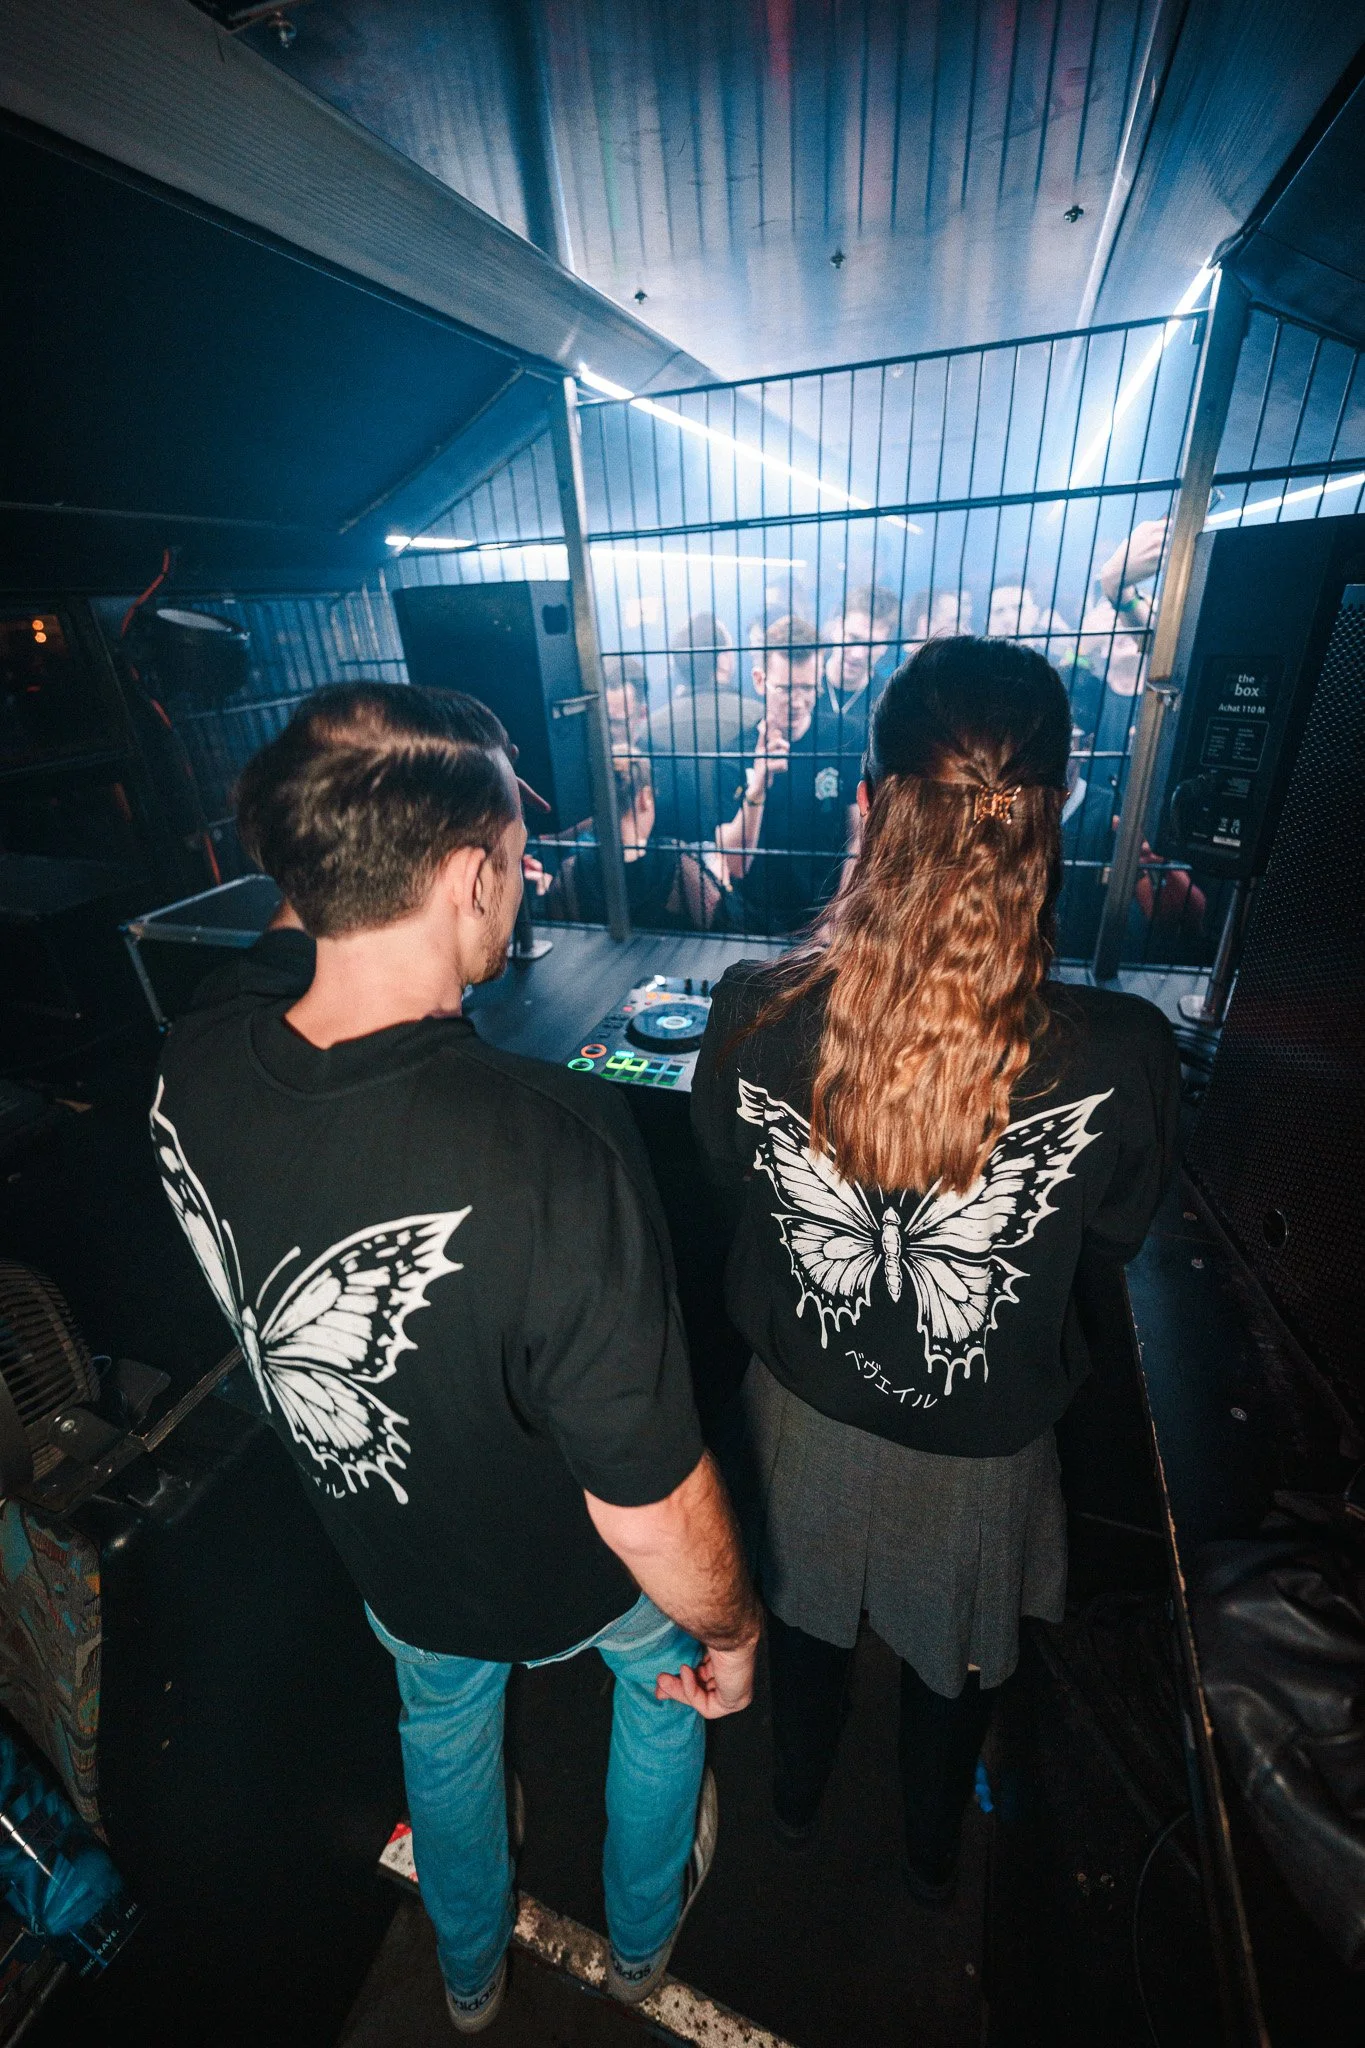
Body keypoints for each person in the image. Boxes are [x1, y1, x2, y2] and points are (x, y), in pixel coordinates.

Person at [152, 682, 760, 2030]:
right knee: (666, 1698)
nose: (526, 876)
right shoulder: (552, 1140)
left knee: (439, 1729)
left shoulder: (186, 1059)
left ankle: (470, 1977)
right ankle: (646, 1951)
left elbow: (272, 945)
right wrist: (735, 1626)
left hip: (389, 1547)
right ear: (471, 875)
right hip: (580, 1571)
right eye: (514, 854)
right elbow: (647, 1502)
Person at [692, 636, 1179, 1905]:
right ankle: (924, 1856)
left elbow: (733, 1182)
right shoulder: (1123, 1055)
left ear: (865, 804)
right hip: (979, 1456)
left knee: (795, 1630)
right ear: (1056, 815)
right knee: (955, 1665)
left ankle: (792, 1807)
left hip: (792, 1415)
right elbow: (1113, 1243)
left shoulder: (750, 1008)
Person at [713, 615, 849, 935]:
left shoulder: (844, 738)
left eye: (808, 688)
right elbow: (735, 864)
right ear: (760, 681)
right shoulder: (733, 753)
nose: (798, 701)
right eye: (785, 689)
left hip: (825, 918)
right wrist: (758, 786)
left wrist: (838, 913)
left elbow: (859, 836)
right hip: (754, 922)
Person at [543, 754, 725, 931]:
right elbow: (718, 921)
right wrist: (718, 880)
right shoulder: (677, 863)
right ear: (645, 797)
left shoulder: (572, 872)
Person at [646, 613, 749, 849]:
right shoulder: (757, 718)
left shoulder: (650, 729)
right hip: (745, 859)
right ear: (723, 659)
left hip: (674, 865)